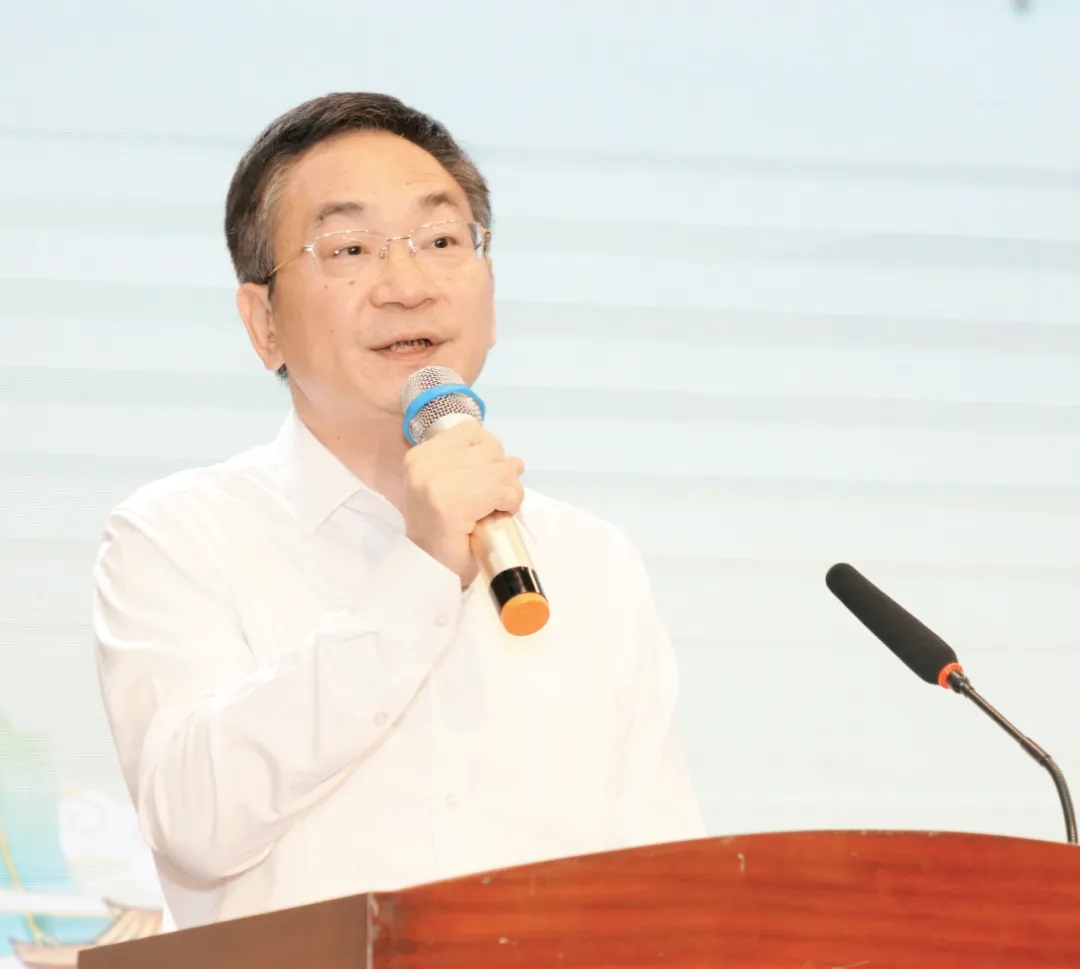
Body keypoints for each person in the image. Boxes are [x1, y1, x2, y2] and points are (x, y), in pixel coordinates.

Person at [92, 92, 705, 930]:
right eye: (349, 249)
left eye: (443, 241)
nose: (408, 287)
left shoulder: (591, 558)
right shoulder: (176, 536)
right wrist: (420, 569)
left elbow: (667, 884)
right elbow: (194, 822)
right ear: (264, 323)